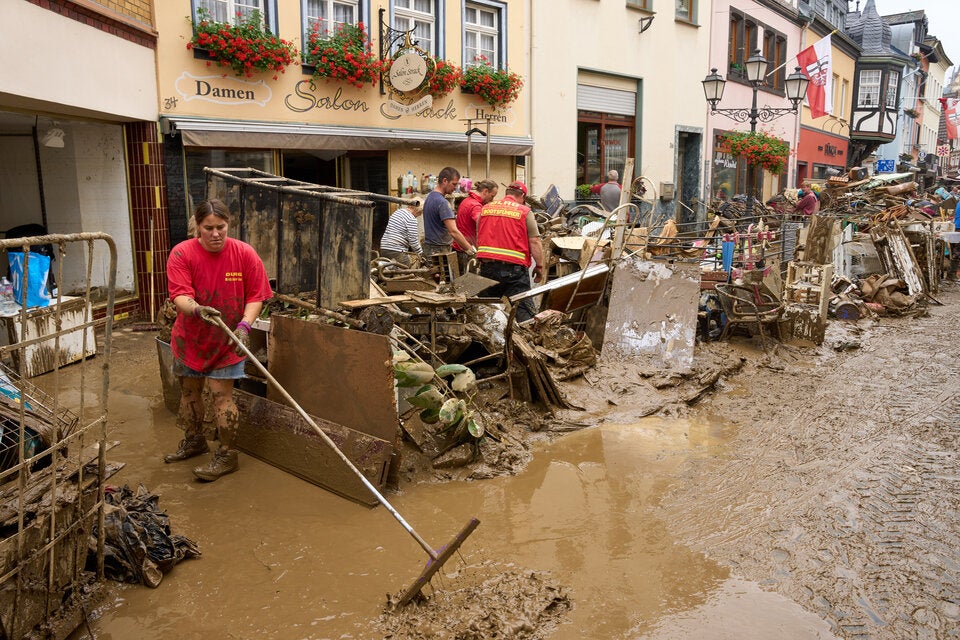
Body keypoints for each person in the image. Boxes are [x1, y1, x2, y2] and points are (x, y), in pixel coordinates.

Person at [165, 199, 273, 482]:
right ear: (197, 228)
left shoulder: (244, 254)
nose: (215, 234)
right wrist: (198, 309)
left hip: (228, 339)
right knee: (189, 393)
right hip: (191, 338)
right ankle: (195, 440)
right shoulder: (181, 254)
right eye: (208, 228)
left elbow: (256, 296)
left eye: (221, 228)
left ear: (229, 225)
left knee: (221, 396)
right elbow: (179, 294)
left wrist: (244, 327)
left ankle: (227, 455)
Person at [475, 181, 545, 322]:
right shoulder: (524, 212)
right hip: (514, 272)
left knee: (486, 313)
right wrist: (539, 266)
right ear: (522, 196)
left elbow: (479, 232)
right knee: (523, 313)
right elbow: (535, 241)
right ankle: (527, 341)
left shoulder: (486, 209)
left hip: (488, 269)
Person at [422, 166, 477, 259]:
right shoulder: (442, 203)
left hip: (428, 248)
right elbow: (453, 231)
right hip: (440, 251)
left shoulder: (430, 197)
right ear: (445, 181)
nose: (455, 188)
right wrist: (471, 251)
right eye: (454, 184)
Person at [453, 179, 498, 272]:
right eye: (492, 196)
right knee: (469, 284)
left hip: (459, 249)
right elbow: (483, 224)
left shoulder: (467, 201)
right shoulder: (476, 206)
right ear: (485, 191)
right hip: (467, 252)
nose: (492, 200)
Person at [379, 200, 423, 266]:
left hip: (384, 248)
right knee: (406, 269)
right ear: (418, 210)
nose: (419, 215)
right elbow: (413, 241)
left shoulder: (398, 212)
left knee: (387, 271)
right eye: (420, 213)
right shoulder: (411, 219)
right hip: (396, 250)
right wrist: (421, 253)